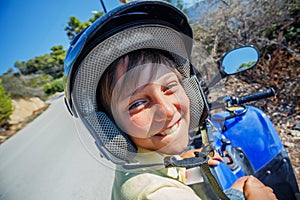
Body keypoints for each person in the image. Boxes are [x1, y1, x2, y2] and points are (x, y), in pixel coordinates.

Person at [63, 1, 277, 199]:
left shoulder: (140, 164)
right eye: (137, 103)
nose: (166, 110)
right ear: (111, 127)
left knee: (243, 182)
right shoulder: (156, 194)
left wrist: (178, 165)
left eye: (169, 87)